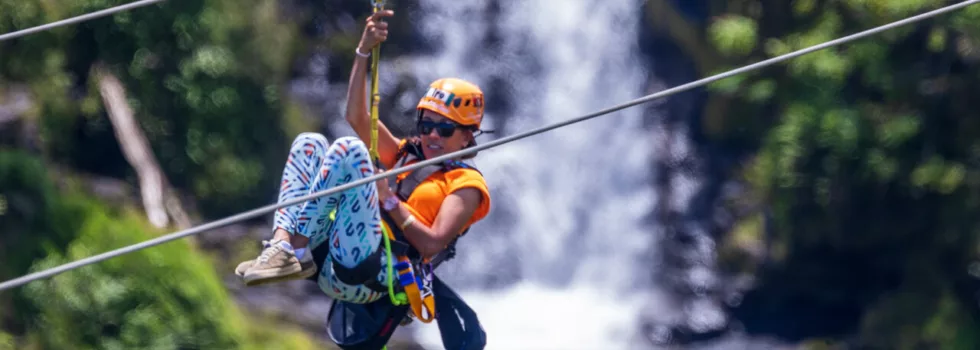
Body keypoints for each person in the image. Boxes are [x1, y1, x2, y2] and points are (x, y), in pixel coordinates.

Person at [233, 9, 492, 307]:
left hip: (374, 272)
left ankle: (296, 250)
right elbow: (356, 116)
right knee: (310, 143)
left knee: (348, 149)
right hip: (335, 252)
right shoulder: (406, 154)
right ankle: (282, 246)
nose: (433, 135)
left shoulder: (467, 184)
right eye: (427, 126)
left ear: (468, 135)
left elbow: (432, 243)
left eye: (444, 129)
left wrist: (389, 201)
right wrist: (362, 52)